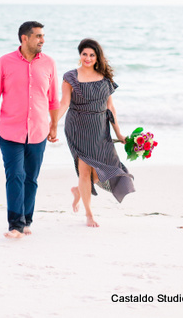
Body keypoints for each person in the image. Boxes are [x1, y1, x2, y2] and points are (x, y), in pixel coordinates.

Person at [50, 38, 135, 228]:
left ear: (97, 57)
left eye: (91, 55)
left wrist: (119, 133)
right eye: (84, 54)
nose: (87, 58)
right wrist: (53, 123)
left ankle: (79, 191)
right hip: (77, 127)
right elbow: (64, 103)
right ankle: (89, 214)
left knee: (103, 169)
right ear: (79, 56)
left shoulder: (105, 79)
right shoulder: (70, 77)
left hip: (100, 128)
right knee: (85, 169)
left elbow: (110, 107)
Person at [0, 21, 59, 238]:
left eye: (43, 36)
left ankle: (27, 220)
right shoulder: (4, 62)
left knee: (31, 178)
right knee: (15, 176)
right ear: (24, 38)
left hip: (38, 132)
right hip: (10, 132)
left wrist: (54, 125)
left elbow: (53, 99)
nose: (42, 40)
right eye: (38, 36)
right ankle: (15, 224)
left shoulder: (49, 64)